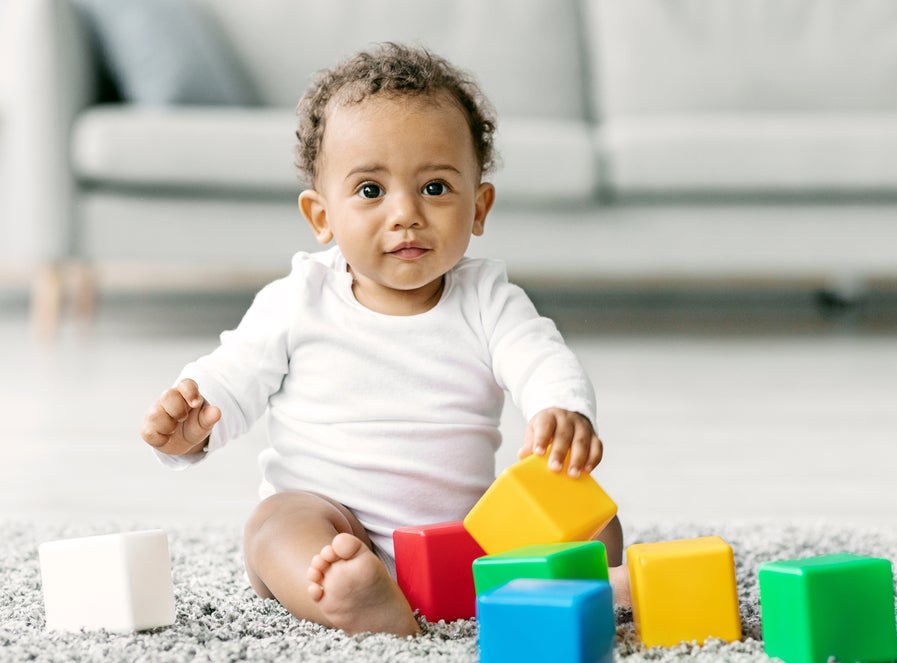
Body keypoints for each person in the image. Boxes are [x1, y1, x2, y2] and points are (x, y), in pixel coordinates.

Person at [139, 42, 627, 636]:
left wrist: (562, 408)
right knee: (273, 525)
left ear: (479, 206)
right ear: (322, 217)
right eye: (371, 190)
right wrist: (193, 426)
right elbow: (232, 375)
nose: (406, 214)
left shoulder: (488, 298)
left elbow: (540, 356)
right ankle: (355, 597)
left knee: (589, 513)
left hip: (468, 539)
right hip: (337, 525)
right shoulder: (300, 298)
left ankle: (585, 586)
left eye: (436, 188)